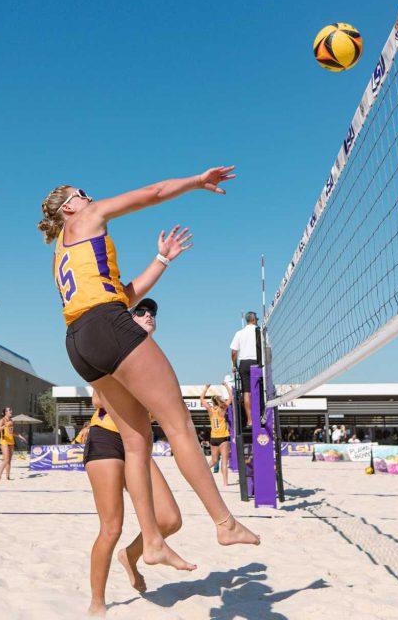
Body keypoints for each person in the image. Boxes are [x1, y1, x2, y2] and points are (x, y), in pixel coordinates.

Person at [38, 170, 259, 572]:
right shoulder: (86, 218)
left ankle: (153, 541)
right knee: (179, 426)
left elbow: (125, 295)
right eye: (82, 192)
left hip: (78, 341)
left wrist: (161, 260)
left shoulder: (62, 251)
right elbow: (153, 193)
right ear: (69, 206)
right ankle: (224, 523)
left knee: (137, 442)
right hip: (106, 324)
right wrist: (196, 182)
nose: (90, 196)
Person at [80, 303, 184, 615]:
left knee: (169, 519)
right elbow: (98, 397)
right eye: (140, 312)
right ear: (128, 321)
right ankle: (97, 601)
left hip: (138, 443)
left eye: (153, 313)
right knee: (111, 527)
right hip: (107, 439)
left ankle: (131, 555)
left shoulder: (155, 359)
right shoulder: (112, 351)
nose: (149, 315)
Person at [229, 312, 260, 427]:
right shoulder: (260, 331)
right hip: (257, 362)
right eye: (257, 318)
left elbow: (233, 352)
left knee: (246, 392)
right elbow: (267, 349)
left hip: (244, 364)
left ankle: (249, 420)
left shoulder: (239, 333)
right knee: (260, 390)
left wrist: (234, 365)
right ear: (253, 319)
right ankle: (260, 415)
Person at [201, 381, 233, 486]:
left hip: (213, 438)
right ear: (219, 401)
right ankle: (225, 483)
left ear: (213, 402)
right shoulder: (222, 409)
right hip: (223, 438)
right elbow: (231, 397)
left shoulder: (210, 410)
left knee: (214, 460)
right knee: (224, 461)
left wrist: (206, 388)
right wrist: (226, 385)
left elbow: (201, 399)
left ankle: (202, 473)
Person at [0, 407, 20, 480]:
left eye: (11, 410)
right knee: (6, 459)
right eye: (9, 410)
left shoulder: (11, 421)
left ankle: (7, 476)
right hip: (4, 441)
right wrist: (6, 425)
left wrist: (20, 436)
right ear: (5, 412)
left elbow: (11, 432)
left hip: (11, 441)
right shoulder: (2, 420)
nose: (11, 411)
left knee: (9, 460)